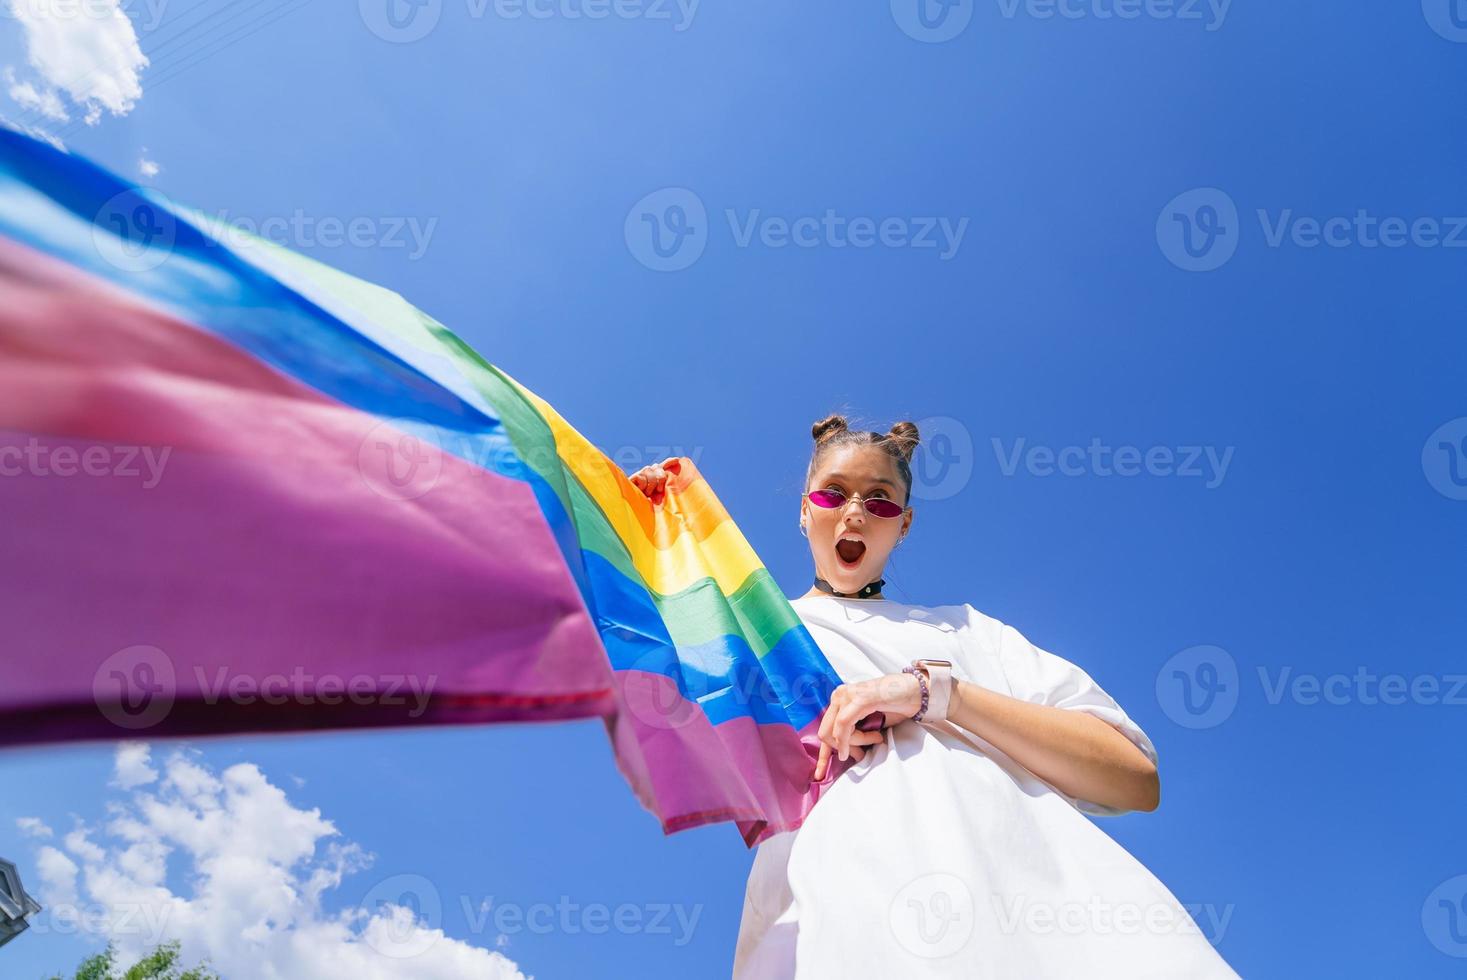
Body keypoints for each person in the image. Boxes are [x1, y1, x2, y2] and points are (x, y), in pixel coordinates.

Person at [630, 415, 1242, 978]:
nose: (854, 513)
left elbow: (1134, 777)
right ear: (803, 510)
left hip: (1050, 923)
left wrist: (934, 693)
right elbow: (641, 678)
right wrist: (638, 530)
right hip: (842, 926)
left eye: (879, 499)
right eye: (832, 493)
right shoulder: (754, 636)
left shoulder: (968, 632)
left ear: (905, 522)